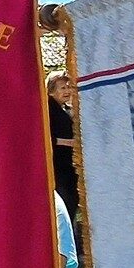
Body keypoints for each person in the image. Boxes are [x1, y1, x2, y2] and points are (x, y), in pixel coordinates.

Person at [47, 72, 80, 229]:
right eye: (62, 88)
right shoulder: (48, 109)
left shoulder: (65, 109)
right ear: (51, 91)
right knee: (65, 203)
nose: (67, 91)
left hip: (68, 166)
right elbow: (46, 136)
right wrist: (71, 143)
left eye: (68, 87)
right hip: (58, 167)